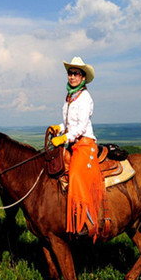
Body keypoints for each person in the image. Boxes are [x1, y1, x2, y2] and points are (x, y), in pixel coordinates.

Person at [48, 57, 106, 240]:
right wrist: (59, 128)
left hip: (85, 143)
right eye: (70, 73)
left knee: (75, 175)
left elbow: (81, 126)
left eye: (76, 73)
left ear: (82, 77)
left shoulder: (85, 98)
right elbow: (69, 123)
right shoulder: (70, 97)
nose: (72, 76)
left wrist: (65, 137)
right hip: (72, 142)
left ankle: (87, 221)